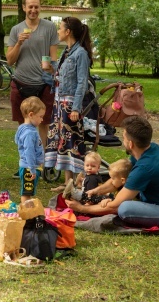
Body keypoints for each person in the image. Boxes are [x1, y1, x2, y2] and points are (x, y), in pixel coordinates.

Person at [66, 116, 159, 229]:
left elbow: (115, 206)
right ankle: (83, 196)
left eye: (123, 137)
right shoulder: (148, 150)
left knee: (124, 208)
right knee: (122, 196)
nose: (122, 140)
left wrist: (81, 209)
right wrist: (96, 191)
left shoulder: (145, 167)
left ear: (130, 144)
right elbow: (117, 179)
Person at [45, 16, 92, 190]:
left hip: (70, 104)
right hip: (59, 102)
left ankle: (74, 182)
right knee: (63, 142)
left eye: (60, 28)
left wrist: (76, 108)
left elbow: (81, 82)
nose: (58, 31)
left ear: (68, 31)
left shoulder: (80, 54)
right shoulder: (67, 52)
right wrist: (51, 69)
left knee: (72, 142)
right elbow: (61, 77)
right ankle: (67, 182)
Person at [7, 0, 59, 150]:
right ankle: (26, 162)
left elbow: (54, 58)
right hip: (21, 82)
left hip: (43, 83)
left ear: (40, 7)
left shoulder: (49, 27)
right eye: (30, 6)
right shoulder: (16, 30)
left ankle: (44, 163)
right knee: (24, 125)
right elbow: (10, 60)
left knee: (44, 123)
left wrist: (50, 68)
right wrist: (19, 42)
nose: (33, 10)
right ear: (24, 7)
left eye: (36, 6)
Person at [15, 97, 46, 203]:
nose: (42, 120)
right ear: (31, 115)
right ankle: (27, 216)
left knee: (28, 192)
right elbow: (29, 152)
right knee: (26, 193)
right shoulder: (30, 133)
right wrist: (32, 169)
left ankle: (28, 213)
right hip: (29, 168)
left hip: (28, 167)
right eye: (40, 117)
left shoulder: (23, 128)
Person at [64, 158, 132, 206]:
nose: (111, 181)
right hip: (108, 200)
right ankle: (74, 194)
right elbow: (114, 196)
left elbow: (119, 203)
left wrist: (109, 200)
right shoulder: (120, 185)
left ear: (122, 180)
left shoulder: (127, 190)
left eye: (113, 178)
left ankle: (75, 194)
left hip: (111, 206)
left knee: (96, 198)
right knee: (98, 195)